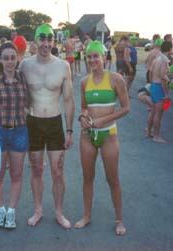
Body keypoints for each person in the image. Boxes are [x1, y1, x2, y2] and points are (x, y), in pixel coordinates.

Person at [19, 24, 75, 229]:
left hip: (54, 123)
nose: (45, 43)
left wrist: (69, 130)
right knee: (36, 170)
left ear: (53, 41)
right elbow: (12, 85)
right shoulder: (25, 65)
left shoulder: (63, 66)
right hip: (33, 123)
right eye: (42, 38)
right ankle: (38, 210)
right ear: (35, 41)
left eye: (49, 38)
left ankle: (59, 212)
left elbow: (68, 100)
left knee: (57, 171)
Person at [75, 40, 129, 235]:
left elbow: (126, 108)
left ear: (104, 57)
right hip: (88, 135)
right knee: (88, 177)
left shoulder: (115, 79)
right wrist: (82, 117)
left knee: (112, 179)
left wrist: (104, 120)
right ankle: (87, 215)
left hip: (108, 135)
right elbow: (83, 107)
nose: (92, 60)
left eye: (95, 56)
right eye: (89, 56)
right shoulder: (83, 82)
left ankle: (119, 219)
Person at [0, 42, 29, 229]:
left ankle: (11, 212)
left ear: (17, 59)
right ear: (0, 60)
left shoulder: (22, 78)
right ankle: (0, 209)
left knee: (17, 175)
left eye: (12, 57)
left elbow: (28, 102)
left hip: (19, 132)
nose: (9, 61)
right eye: (6, 58)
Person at [146, 41, 172, 143]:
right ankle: (156, 136)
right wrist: (166, 94)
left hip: (153, 85)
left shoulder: (157, 59)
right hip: (159, 87)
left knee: (153, 111)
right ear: (169, 49)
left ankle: (148, 131)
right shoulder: (164, 60)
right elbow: (163, 78)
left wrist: (152, 84)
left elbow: (151, 72)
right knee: (158, 113)